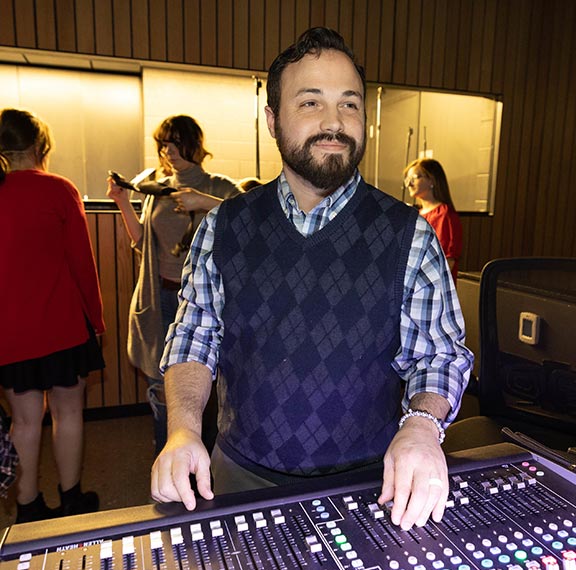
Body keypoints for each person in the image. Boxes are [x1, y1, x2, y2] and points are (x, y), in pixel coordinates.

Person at [151, 28, 473, 531]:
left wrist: (424, 427)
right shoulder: (223, 227)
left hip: (374, 484)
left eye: (349, 104)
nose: (333, 122)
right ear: (273, 120)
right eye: (310, 103)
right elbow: (194, 341)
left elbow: (440, 354)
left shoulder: (409, 234)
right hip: (237, 479)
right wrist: (182, 431)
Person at [107, 115, 240, 455]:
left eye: (175, 141)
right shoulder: (157, 189)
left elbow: (249, 222)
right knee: (160, 388)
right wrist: (122, 202)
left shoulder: (218, 186)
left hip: (205, 304)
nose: (167, 150)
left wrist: (203, 201)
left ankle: (207, 468)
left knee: (205, 389)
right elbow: (142, 243)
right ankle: (167, 462)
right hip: (160, 298)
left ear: (194, 144)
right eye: (163, 143)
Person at [0, 108, 105, 523]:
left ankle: (27, 509)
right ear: (41, 146)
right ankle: (71, 499)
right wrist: (96, 321)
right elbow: (83, 264)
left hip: (10, 334)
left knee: (24, 421)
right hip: (62, 328)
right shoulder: (59, 190)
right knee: (68, 413)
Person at [403, 158, 463, 282]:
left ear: (432, 180)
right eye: (408, 179)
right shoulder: (415, 215)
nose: (410, 184)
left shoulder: (443, 214)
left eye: (415, 177)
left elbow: (448, 260)